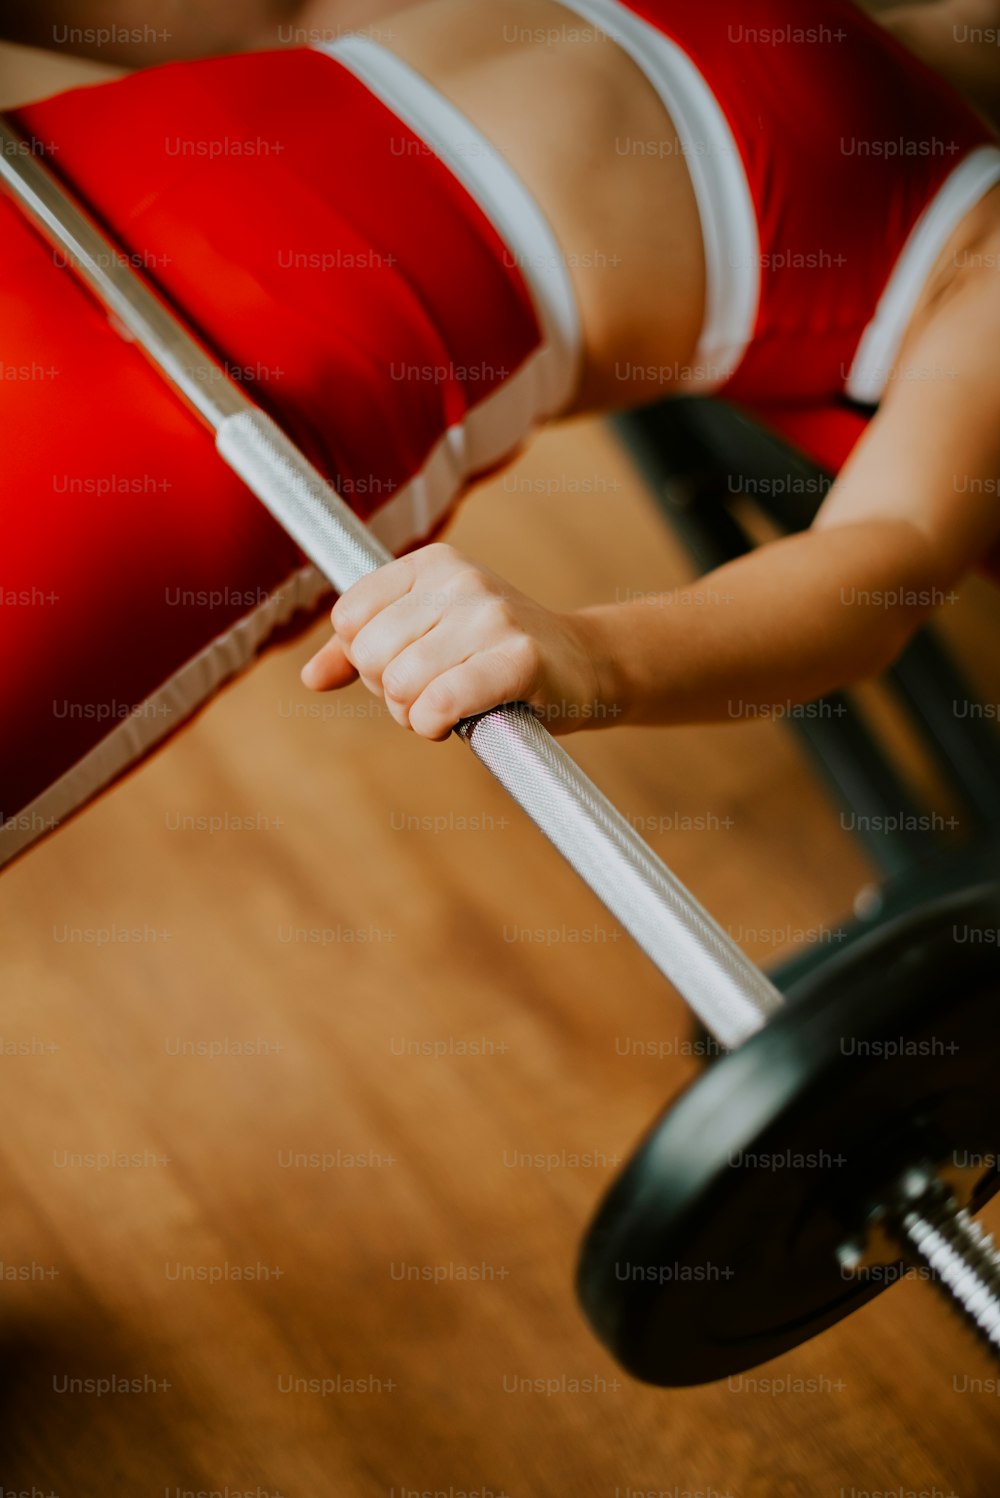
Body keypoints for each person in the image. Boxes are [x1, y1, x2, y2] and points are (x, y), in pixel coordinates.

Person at [1, 0, 999, 869]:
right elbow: (271, 22)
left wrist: (593, 658)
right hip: (73, 168)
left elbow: (884, 562)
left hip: (255, 406)